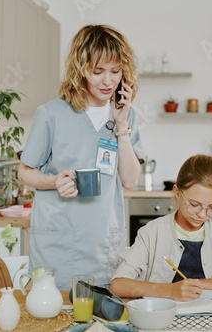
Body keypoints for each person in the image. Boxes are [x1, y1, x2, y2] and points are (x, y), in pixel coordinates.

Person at [18, 24, 144, 290]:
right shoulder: (51, 114)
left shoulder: (125, 114)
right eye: (98, 72)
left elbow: (130, 180)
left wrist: (121, 125)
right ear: (81, 68)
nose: (108, 81)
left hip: (103, 244)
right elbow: (24, 171)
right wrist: (54, 181)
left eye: (115, 71)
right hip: (58, 244)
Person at [110, 154, 212, 301]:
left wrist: (198, 284)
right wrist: (170, 290)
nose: (202, 215)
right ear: (177, 192)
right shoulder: (152, 232)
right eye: (194, 205)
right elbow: (118, 285)